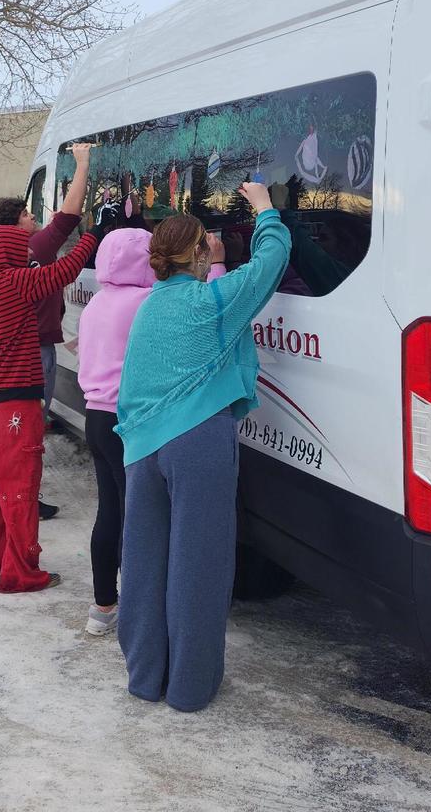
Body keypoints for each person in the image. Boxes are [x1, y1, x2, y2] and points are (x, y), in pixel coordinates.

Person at [114, 183, 291, 712]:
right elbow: (270, 262)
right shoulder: (215, 302)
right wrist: (264, 209)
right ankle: (190, 687)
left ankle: (146, 677)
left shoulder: (150, 308)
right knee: (200, 562)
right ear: (196, 254)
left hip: (142, 449)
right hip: (198, 444)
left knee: (145, 561)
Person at [77, 226, 227, 638]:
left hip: (95, 417)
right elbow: (202, 309)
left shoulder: (97, 304)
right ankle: (144, 614)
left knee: (110, 511)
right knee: (141, 521)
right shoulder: (145, 301)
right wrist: (215, 264)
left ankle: (103, 605)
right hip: (131, 422)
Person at [0, 220, 102, 593]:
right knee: (20, 486)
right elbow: (66, 269)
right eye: (22, 247)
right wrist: (93, 234)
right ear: (7, 253)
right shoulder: (15, 283)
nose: (30, 251)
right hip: (18, 398)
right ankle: (20, 572)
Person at [0, 142, 93, 520]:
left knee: (5, 431)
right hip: (29, 353)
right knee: (25, 427)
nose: (32, 217)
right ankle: (23, 497)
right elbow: (69, 222)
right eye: (25, 213)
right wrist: (84, 164)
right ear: (12, 225)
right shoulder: (30, 251)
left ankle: (11, 493)